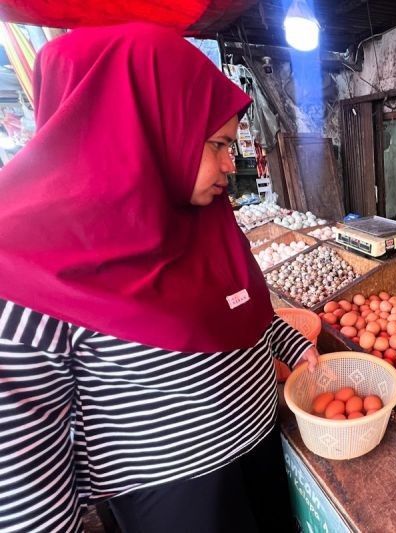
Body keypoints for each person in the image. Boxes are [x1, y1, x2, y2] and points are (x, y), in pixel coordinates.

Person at [0, 24, 318, 532]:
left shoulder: (199, 217)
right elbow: (21, 470)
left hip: (260, 449)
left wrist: (286, 340)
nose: (228, 163)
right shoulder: (24, 263)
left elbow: (236, 309)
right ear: (138, 124)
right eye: (216, 143)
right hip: (175, 501)